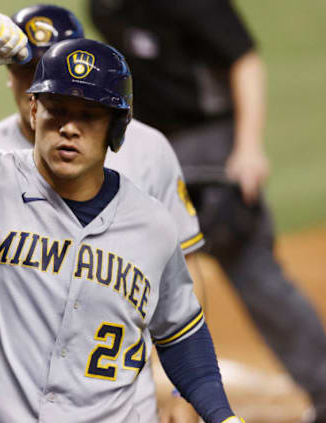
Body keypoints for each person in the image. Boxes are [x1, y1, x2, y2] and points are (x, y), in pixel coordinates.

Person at [0, 25, 245, 422]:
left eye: (89, 116)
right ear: (33, 110)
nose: (69, 128)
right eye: (57, 109)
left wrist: (221, 415)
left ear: (117, 127)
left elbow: (181, 331)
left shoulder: (151, 225)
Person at [89, 1, 326, 421]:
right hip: (149, 142)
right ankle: (113, 401)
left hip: (213, 141)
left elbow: (245, 61)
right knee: (125, 265)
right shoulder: (105, 5)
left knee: (251, 265)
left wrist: (248, 147)